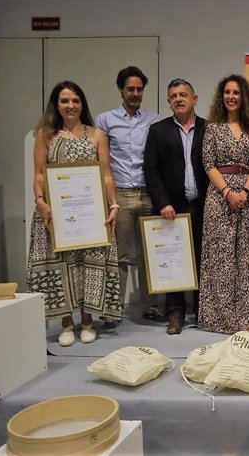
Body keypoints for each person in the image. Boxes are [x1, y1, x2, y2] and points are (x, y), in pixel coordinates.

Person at [27, 81, 121, 346]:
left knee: (89, 264)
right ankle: (67, 323)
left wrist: (113, 205)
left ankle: (88, 321)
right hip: (56, 216)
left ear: (82, 104)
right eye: (65, 101)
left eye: (75, 100)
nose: (70, 106)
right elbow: (38, 174)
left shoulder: (96, 135)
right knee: (62, 266)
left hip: (91, 214)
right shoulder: (45, 134)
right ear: (56, 105)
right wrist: (40, 201)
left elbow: (105, 175)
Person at [198, 74, 249, 334]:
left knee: (246, 256)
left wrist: (245, 192)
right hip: (218, 197)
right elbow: (208, 164)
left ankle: (246, 317)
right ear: (221, 96)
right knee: (221, 256)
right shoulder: (212, 128)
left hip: (247, 199)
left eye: (236, 92)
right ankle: (220, 319)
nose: (231, 96)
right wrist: (228, 192)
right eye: (227, 92)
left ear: (243, 96)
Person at [95, 66, 160, 327]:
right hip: (120, 193)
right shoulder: (105, 121)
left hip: (147, 193)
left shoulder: (153, 121)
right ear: (120, 89)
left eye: (139, 89)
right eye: (130, 89)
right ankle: (114, 308)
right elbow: (102, 164)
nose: (135, 94)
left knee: (149, 254)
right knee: (120, 254)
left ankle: (151, 307)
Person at [143, 78, 208, 334]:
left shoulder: (209, 129)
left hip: (204, 207)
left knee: (205, 261)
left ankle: (204, 311)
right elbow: (151, 170)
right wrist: (162, 203)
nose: (178, 99)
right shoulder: (158, 131)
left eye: (183, 94)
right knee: (175, 262)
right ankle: (175, 314)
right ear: (169, 102)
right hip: (172, 209)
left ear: (194, 99)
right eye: (173, 96)